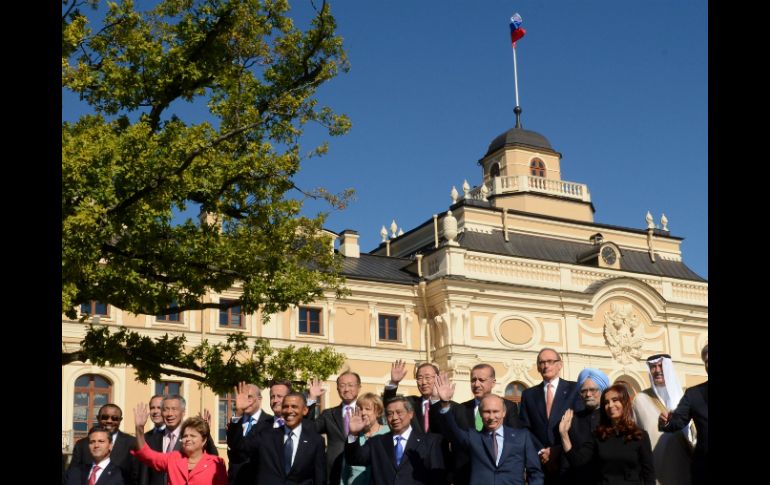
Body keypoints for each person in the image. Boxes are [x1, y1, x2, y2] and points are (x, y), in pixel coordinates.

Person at [434, 373, 543, 485]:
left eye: (495, 411)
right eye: (487, 412)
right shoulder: (474, 437)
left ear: (504, 413)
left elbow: (535, 472)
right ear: (480, 414)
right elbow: (452, 430)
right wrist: (445, 403)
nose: (491, 417)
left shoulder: (522, 436)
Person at [428, 363, 519, 485]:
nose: (476, 384)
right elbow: (444, 432)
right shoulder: (460, 408)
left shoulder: (508, 406)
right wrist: (440, 402)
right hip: (466, 476)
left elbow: (514, 440)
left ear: (493, 382)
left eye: (481, 380)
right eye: (473, 380)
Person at [559, 384, 655, 485]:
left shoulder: (640, 436)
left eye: (615, 400)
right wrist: (564, 434)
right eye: (606, 402)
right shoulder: (598, 436)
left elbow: (649, 474)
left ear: (625, 402)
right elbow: (578, 461)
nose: (610, 405)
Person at [345, 396, 446, 485]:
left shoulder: (430, 442)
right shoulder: (376, 442)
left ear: (410, 414)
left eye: (399, 412)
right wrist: (353, 434)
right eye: (390, 414)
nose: (394, 418)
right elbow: (354, 458)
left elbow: (438, 478)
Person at [518, 347, 580, 484]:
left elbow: (579, 425)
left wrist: (556, 450)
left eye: (550, 361)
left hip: (566, 460)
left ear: (560, 365)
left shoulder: (574, 390)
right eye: (542, 362)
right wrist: (542, 451)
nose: (546, 365)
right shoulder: (528, 395)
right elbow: (525, 428)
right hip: (539, 463)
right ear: (538, 367)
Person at [632, 354, 694, 484]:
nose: (657, 370)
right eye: (653, 367)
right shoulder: (640, 400)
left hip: (687, 466)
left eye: (660, 365)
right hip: (655, 470)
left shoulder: (687, 397)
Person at [241, 392, 327, 484]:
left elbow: (319, 478)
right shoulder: (266, 436)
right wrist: (238, 415)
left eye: (294, 406)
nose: (289, 410)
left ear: (305, 410)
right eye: (285, 406)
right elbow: (239, 452)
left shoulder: (315, 441)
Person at [132, 404, 227, 485]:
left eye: (193, 436)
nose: (188, 439)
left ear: (204, 440)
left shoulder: (216, 463)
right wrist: (139, 429)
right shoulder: (173, 458)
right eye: (185, 436)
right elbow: (147, 455)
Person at [659, 344, 708, 485]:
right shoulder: (693, 394)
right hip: (704, 469)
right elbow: (678, 421)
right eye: (706, 361)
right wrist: (666, 421)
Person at [556, 368, 610, 485]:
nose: (588, 394)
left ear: (603, 390)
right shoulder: (572, 419)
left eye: (593, 390)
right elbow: (566, 459)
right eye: (584, 391)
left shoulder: (611, 418)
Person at [310, 371, 362, 483]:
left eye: (350, 385)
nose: (346, 389)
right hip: (334, 471)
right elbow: (309, 429)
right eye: (342, 386)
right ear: (337, 389)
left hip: (361, 470)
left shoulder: (366, 412)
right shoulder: (328, 414)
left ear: (359, 387)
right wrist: (312, 399)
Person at [69, 404, 139, 485]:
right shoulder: (82, 444)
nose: (109, 421)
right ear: (98, 418)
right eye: (105, 417)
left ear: (120, 420)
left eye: (115, 418)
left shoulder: (132, 443)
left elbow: (136, 476)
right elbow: (72, 474)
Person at [226, 382, 273, 485]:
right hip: (236, 480)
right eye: (242, 397)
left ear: (259, 399)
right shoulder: (236, 421)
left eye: (249, 397)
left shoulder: (271, 422)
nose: (245, 401)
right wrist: (238, 412)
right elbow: (232, 446)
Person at [340, 393, 390, 485]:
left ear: (378, 412)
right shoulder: (354, 436)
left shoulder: (388, 433)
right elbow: (346, 468)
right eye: (360, 409)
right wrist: (353, 433)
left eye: (368, 409)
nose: (363, 413)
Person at [383, 360, 442, 433]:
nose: (423, 382)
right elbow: (389, 403)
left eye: (427, 377)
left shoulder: (448, 406)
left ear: (437, 378)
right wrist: (394, 382)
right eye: (419, 378)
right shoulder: (410, 402)